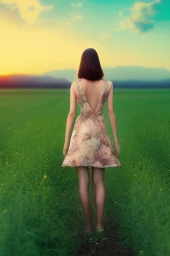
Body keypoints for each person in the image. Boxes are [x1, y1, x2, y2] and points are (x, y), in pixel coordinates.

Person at [61, 48, 122, 240]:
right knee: (99, 182)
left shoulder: (76, 85)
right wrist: (116, 141)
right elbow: (111, 112)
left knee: (83, 182)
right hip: (99, 133)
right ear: (98, 63)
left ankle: (88, 227)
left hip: (81, 133)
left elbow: (71, 113)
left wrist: (66, 142)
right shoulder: (108, 85)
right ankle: (99, 225)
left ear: (82, 63)